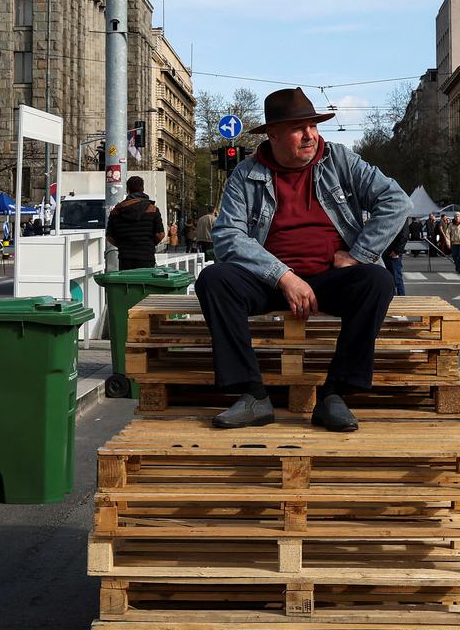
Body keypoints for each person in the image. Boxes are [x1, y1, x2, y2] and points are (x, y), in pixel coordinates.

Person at [198, 87, 407, 432]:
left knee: (377, 280)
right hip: (270, 281)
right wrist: (283, 276)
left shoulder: (340, 160)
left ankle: (334, 395)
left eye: (313, 125)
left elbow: (396, 201)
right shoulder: (245, 174)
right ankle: (253, 395)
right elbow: (227, 236)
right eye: (299, 128)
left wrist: (359, 255)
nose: (310, 135)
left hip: (329, 277)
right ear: (274, 134)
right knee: (214, 279)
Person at [108, 175, 166, 270]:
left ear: (127, 190)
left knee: (127, 284)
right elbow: (160, 234)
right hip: (146, 256)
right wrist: (149, 244)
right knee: (145, 283)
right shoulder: (152, 209)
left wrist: (123, 246)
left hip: (125, 257)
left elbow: (110, 237)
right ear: (142, 189)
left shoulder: (116, 211)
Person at [383, 221, 407, 296]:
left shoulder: (402, 213)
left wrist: (397, 251)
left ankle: (401, 300)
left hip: (393, 252)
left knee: (397, 279)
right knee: (387, 278)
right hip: (386, 251)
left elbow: (404, 235)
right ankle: (391, 298)